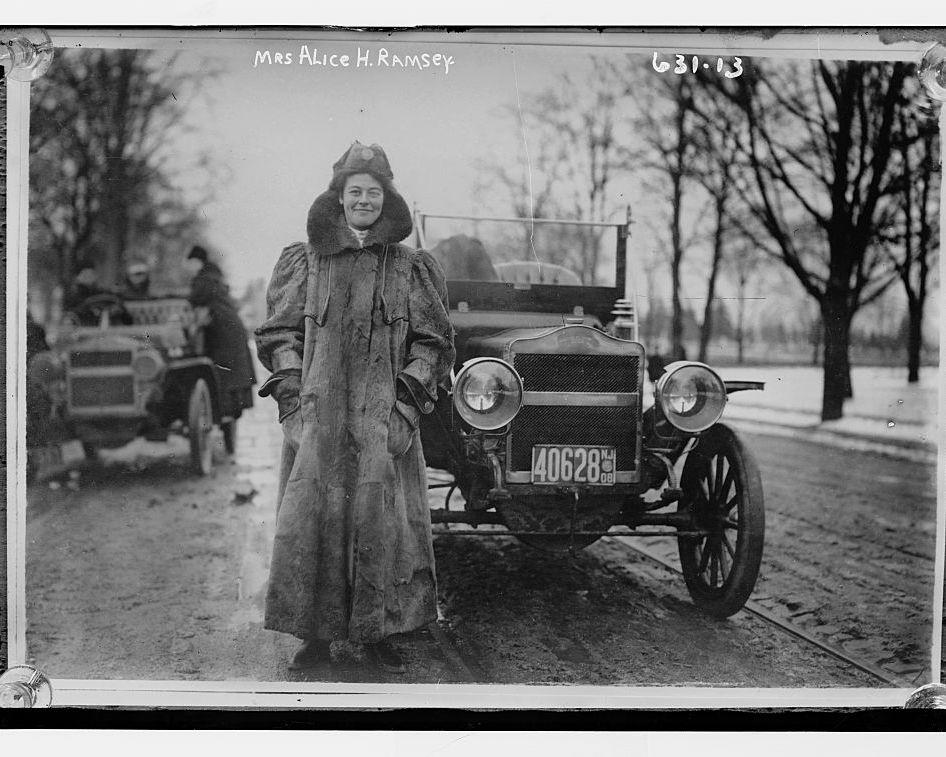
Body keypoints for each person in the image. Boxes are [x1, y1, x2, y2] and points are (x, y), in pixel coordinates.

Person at [254, 142, 455, 674]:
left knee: (385, 526)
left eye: (373, 192)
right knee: (313, 524)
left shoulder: (409, 268)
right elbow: (278, 335)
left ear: (386, 200)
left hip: (382, 424)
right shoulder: (308, 262)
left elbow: (433, 343)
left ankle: (379, 633)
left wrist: (404, 410)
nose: (363, 200)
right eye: (354, 192)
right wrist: (295, 402)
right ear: (338, 199)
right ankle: (313, 640)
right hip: (319, 423)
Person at [185, 245, 257, 421]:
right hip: (230, 327)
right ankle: (229, 411)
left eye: (190, 263)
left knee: (223, 368)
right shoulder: (214, 276)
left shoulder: (204, 279)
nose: (188, 267)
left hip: (223, 329)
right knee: (230, 369)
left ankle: (224, 412)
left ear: (197, 261)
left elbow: (193, 299)